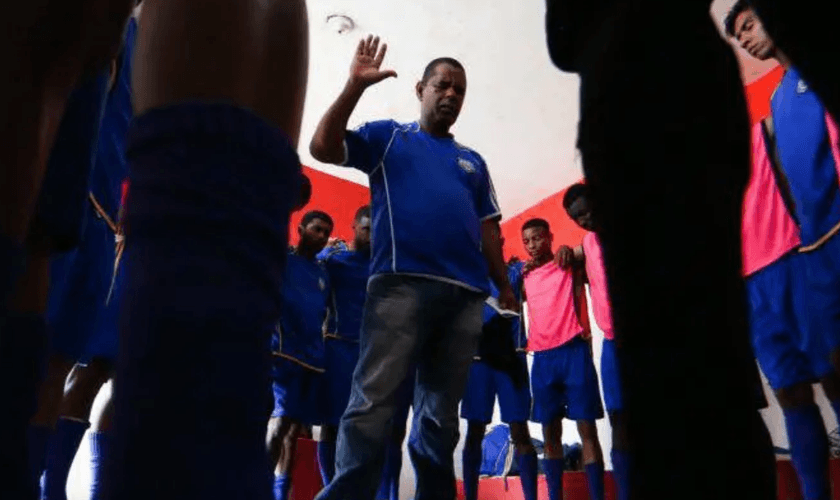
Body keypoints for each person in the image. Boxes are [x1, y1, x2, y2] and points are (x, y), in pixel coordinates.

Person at [544, 2, 775, 499]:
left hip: (631, 113)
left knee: (667, 363)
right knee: (714, 346)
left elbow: (562, 46)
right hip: (695, 90)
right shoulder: (586, 242)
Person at [309, 35, 514, 500]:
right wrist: (353, 87)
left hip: (465, 297)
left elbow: (488, 231)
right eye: (443, 85)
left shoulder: (473, 162)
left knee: (440, 419)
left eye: (459, 91)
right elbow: (322, 148)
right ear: (420, 88)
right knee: (372, 405)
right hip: (399, 289)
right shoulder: (388, 138)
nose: (451, 96)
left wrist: (503, 286)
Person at [727, 5, 840, 499]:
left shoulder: (770, 119)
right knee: (792, 393)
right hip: (751, 287)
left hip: (800, 257)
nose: (745, 38)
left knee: (835, 374)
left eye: (748, 24)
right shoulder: (677, 169)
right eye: (738, 34)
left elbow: (800, 185)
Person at [520, 217, 605, 500]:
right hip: (542, 359)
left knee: (587, 430)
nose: (532, 245)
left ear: (550, 237)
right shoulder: (524, 276)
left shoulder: (569, 264)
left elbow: (589, 248)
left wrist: (570, 248)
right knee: (549, 433)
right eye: (527, 241)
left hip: (573, 352)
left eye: (538, 238)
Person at [555, 184, 628, 500]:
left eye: (588, 210)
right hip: (611, 344)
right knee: (619, 422)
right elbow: (577, 255)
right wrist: (566, 253)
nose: (585, 219)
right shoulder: (588, 241)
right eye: (577, 217)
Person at [460, 242, 537, 500]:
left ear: (499, 244)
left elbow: (543, 264)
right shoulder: (465, 277)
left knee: (520, 431)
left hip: (511, 360)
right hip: (477, 360)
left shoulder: (515, 271)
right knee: (474, 431)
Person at [267, 210, 333, 500]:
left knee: (296, 432)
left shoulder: (323, 273)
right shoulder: (282, 261)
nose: (321, 237)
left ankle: (282, 493)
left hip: (312, 360)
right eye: (316, 229)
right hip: (282, 354)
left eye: (325, 233)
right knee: (279, 424)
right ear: (301, 228)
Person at [319, 206, 371, 485]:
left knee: (364, 428)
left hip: (370, 355)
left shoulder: (383, 265)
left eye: (378, 231)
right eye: (367, 229)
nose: (373, 237)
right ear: (354, 227)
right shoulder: (333, 259)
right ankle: (330, 488)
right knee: (332, 425)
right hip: (337, 350)